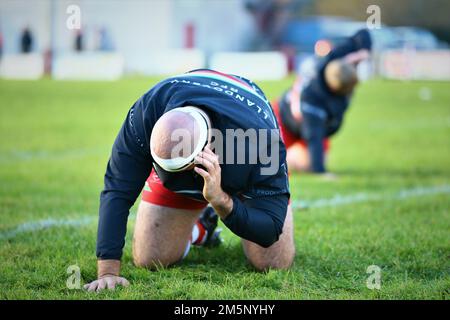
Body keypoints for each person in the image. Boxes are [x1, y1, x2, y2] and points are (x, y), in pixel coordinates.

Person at [84, 69, 295, 292]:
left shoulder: (260, 140)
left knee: (272, 261)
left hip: (244, 158)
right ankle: (203, 227)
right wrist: (107, 271)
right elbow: (117, 188)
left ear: (208, 146)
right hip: (187, 118)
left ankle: (216, 207)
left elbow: (270, 228)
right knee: (151, 257)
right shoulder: (145, 113)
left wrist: (222, 202)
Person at [272, 29, 372, 174]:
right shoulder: (314, 101)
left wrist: (363, 53)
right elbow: (314, 139)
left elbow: (363, 33)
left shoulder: (335, 59)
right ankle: (285, 157)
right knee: (291, 165)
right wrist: (321, 172)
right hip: (284, 120)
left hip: (311, 123)